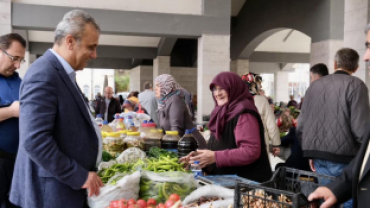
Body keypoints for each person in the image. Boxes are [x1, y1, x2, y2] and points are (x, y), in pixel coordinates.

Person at [10, 10, 104, 208]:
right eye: (91, 47)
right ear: (70, 42)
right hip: (51, 193)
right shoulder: (44, 74)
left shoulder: (60, 72)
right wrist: (78, 176)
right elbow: (35, 140)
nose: (94, 55)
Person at [298, 48, 370, 208]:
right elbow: (361, 130)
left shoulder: (314, 87)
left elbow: (301, 125)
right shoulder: (356, 85)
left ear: (335, 63)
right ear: (356, 68)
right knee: (347, 200)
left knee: (327, 200)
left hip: (317, 157)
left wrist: (310, 150)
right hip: (345, 159)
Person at [180, 72, 272, 182]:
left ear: (234, 88)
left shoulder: (244, 112)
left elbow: (250, 151)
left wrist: (215, 157)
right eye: (214, 89)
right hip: (229, 183)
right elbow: (223, 144)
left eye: (222, 89)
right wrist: (200, 157)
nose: (217, 93)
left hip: (247, 187)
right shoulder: (223, 111)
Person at [0, 33, 26, 208]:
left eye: (21, 60)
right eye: (14, 58)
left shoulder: (18, 80)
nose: (17, 65)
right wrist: (10, 111)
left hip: (18, 160)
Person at [154, 74, 206, 148]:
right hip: (182, 144)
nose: (155, 88)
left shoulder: (175, 100)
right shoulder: (163, 103)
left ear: (167, 86)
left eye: (158, 86)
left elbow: (176, 131)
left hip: (192, 145)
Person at [248, 76, 280, 157]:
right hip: (260, 142)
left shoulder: (235, 102)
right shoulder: (262, 100)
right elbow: (271, 124)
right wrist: (275, 144)